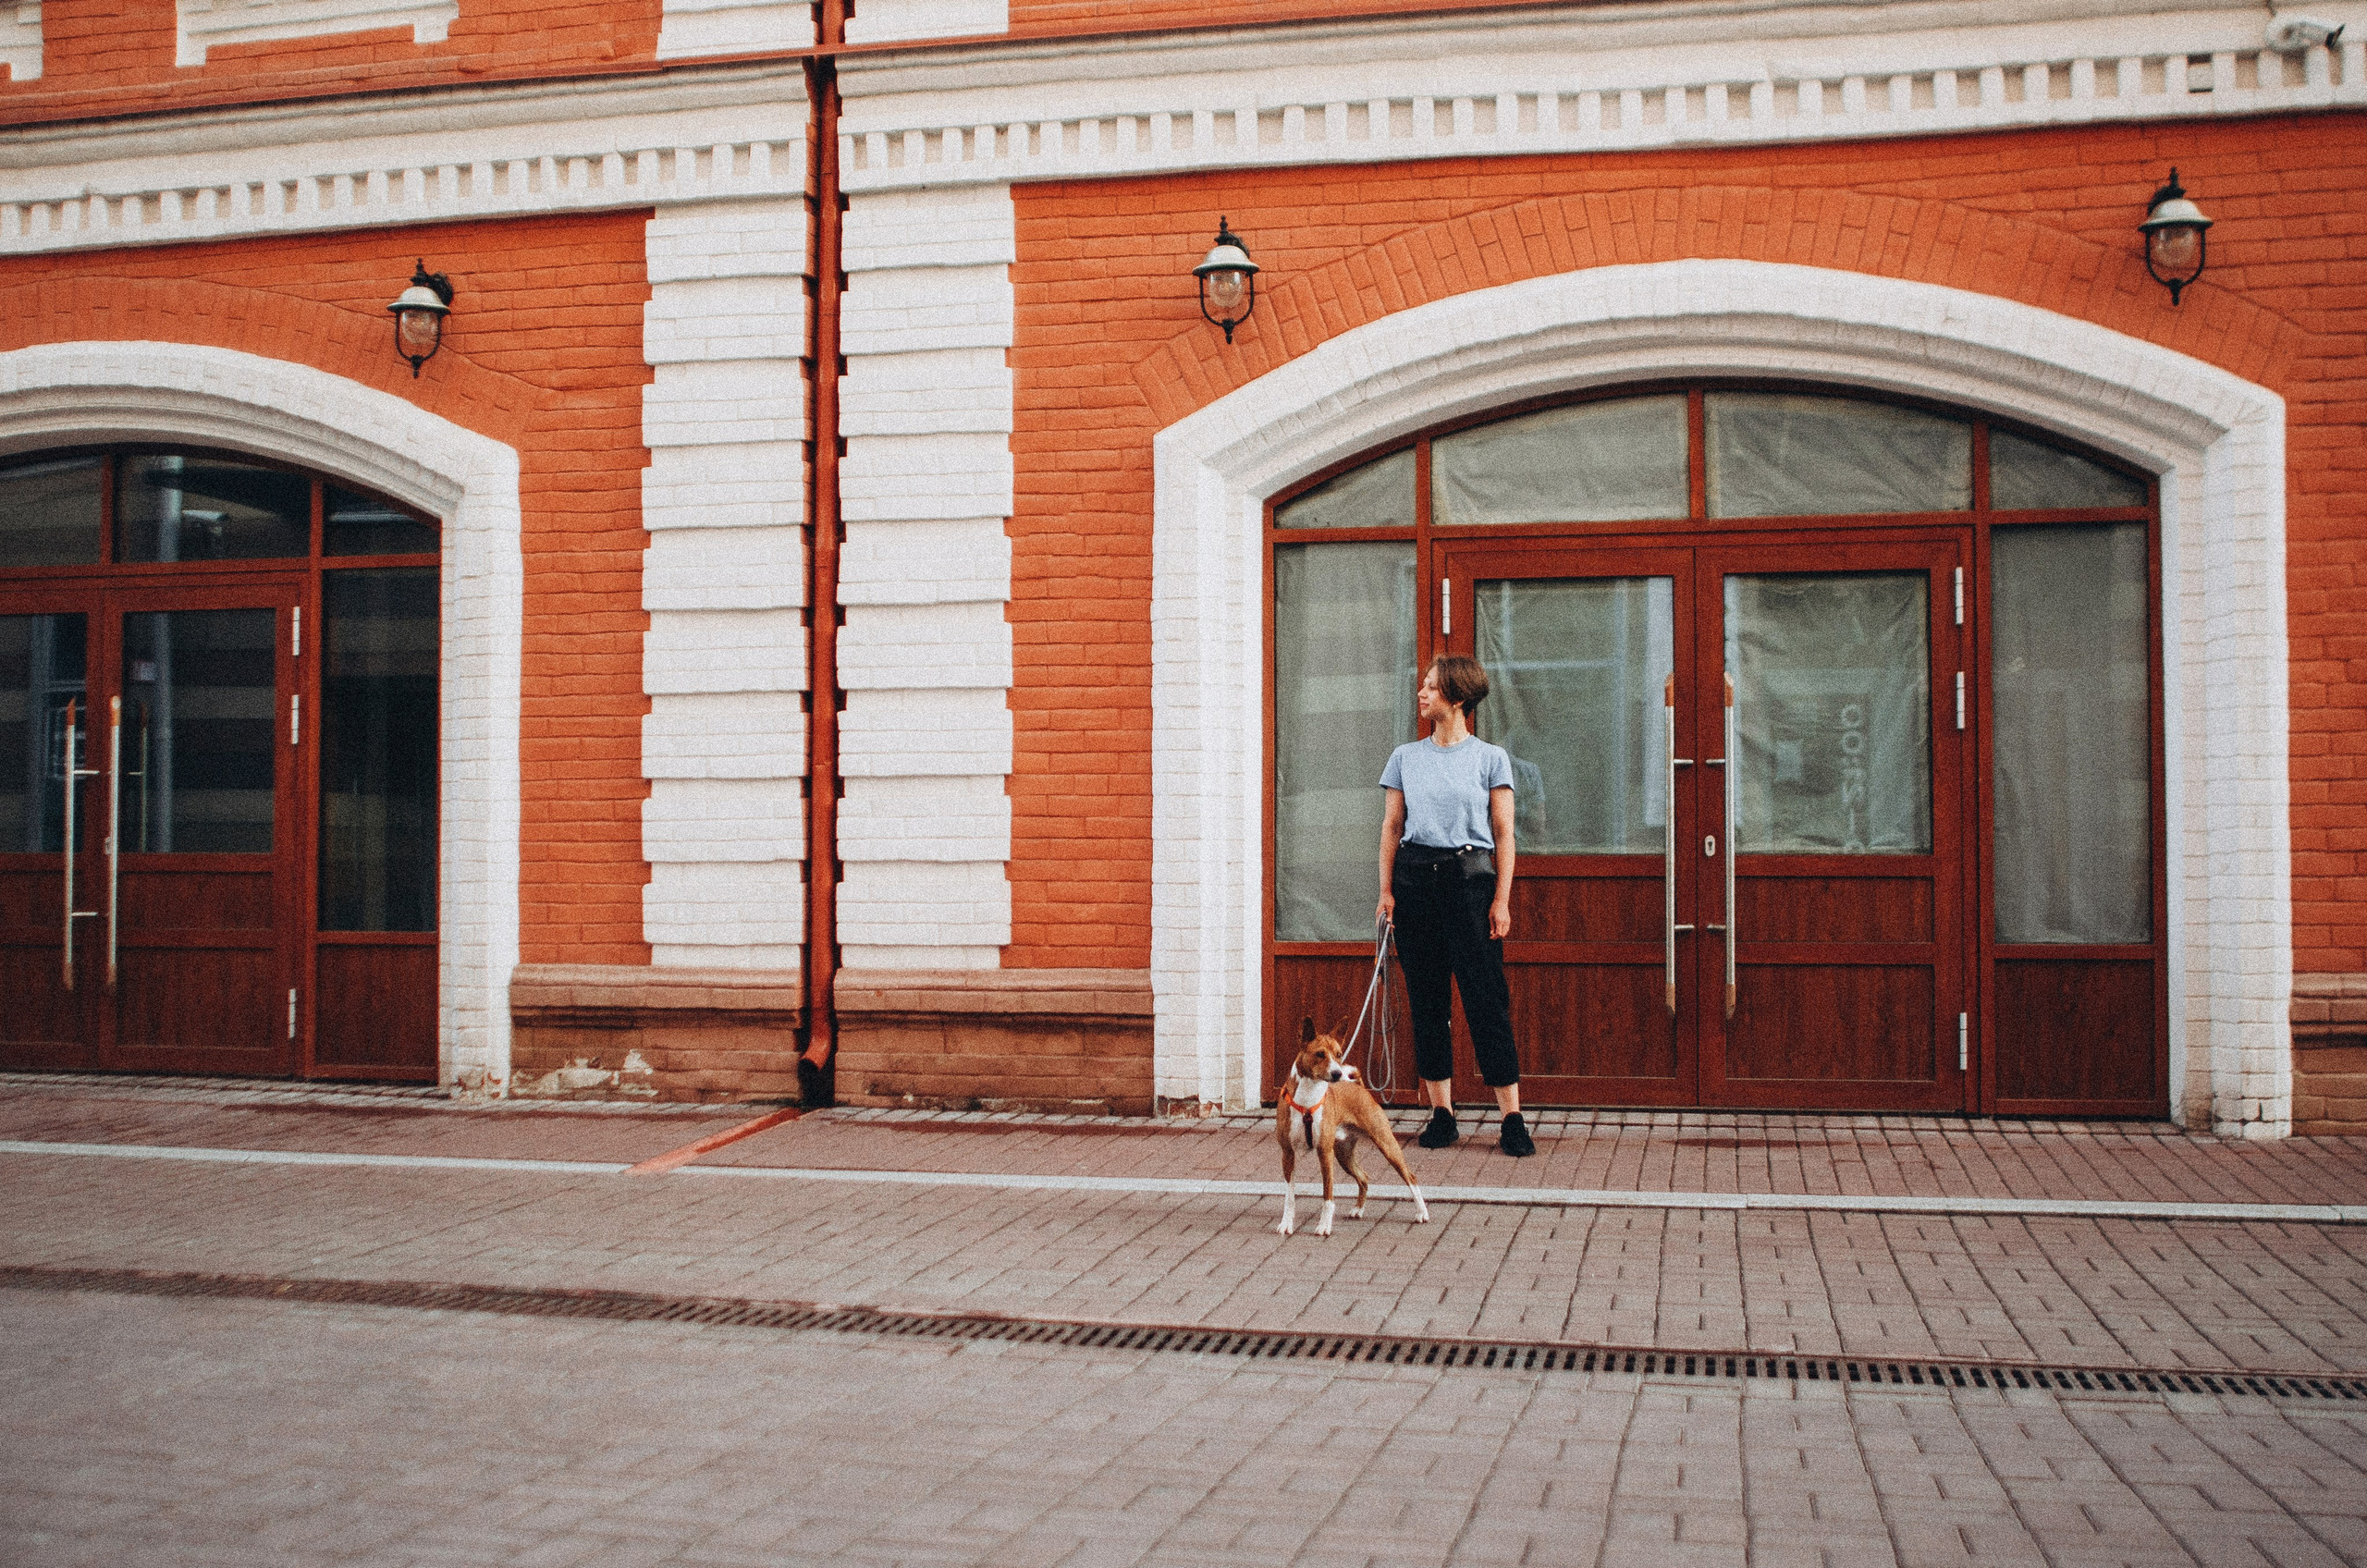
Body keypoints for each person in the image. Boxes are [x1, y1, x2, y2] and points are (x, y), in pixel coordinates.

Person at [1376, 655, 1532, 1158]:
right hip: (1417, 883)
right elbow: (1392, 828)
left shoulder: (1491, 759)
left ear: (1457, 698)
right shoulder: (1404, 757)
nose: (1421, 694)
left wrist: (1502, 899)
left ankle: (1511, 1119)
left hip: (1470, 887)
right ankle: (1441, 1114)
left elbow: (1504, 834)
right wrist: (1386, 892)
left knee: (1487, 1000)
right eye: (1421, 685)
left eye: (1430, 687)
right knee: (1428, 1002)